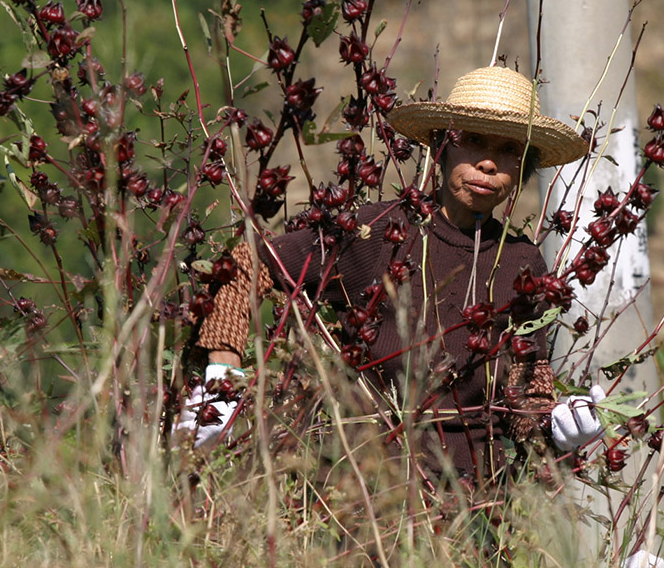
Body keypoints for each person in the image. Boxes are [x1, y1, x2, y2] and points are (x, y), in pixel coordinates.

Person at [176, 65, 606, 485]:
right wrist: (223, 376)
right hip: (355, 491)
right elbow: (252, 262)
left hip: (469, 505)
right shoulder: (379, 230)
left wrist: (561, 427)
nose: (489, 163)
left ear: (524, 167)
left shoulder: (521, 263)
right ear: (442, 146)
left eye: (509, 150)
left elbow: (524, 397)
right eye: (473, 141)